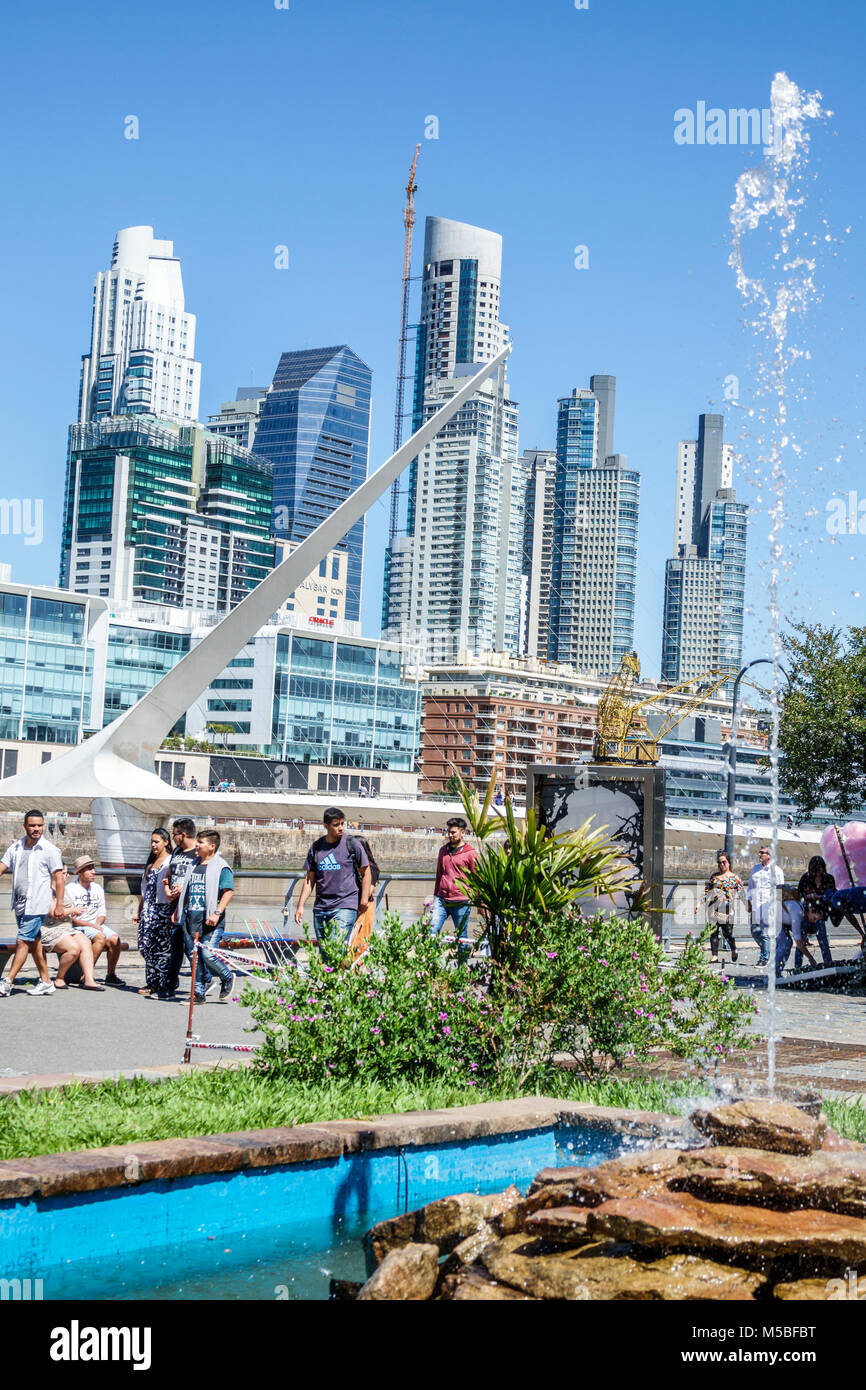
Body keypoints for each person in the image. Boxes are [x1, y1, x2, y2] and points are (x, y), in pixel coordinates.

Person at [0, 810, 65, 996]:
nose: (36, 829)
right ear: (25, 827)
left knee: (22, 940)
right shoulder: (16, 847)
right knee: (35, 942)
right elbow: (2, 866)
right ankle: (46, 981)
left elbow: (59, 879)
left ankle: (7, 981)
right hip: (20, 904)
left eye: (39, 825)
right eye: (32, 825)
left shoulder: (50, 850)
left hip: (37, 904)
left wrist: (59, 904)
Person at [295, 808, 372, 948]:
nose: (341, 828)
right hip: (321, 907)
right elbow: (309, 879)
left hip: (346, 905)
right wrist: (300, 905)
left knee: (336, 947)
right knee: (325, 954)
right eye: (336, 825)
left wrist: (364, 899)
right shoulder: (317, 847)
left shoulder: (352, 844)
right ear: (326, 825)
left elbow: (366, 872)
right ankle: (341, 970)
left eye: (342, 823)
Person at [174, 830, 235, 1004]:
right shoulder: (193, 864)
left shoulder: (221, 867)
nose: (197, 845)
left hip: (211, 920)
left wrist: (217, 913)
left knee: (207, 954)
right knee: (195, 958)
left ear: (211, 846)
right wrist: (178, 910)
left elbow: (228, 892)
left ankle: (227, 976)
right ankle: (198, 994)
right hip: (191, 918)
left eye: (201, 842)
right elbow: (188, 889)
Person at [64, 854, 124, 984]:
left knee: (115, 939)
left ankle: (111, 974)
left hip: (95, 925)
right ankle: (87, 975)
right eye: (89, 869)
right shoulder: (70, 889)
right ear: (80, 872)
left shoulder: (97, 888)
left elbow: (102, 912)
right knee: (100, 937)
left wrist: (97, 924)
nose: (93, 872)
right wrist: (93, 927)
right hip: (78, 927)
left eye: (93, 868)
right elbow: (71, 919)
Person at [133, 829, 174, 999]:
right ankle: (152, 980)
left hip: (162, 908)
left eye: (156, 841)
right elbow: (145, 890)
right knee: (145, 945)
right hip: (148, 910)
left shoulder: (171, 861)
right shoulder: (151, 863)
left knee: (162, 948)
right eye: (152, 842)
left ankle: (161, 983)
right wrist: (139, 910)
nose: (153, 845)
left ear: (166, 842)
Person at [163, 818, 198, 994]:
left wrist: (184, 889)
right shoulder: (177, 851)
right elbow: (169, 874)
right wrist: (167, 889)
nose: (173, 838)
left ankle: (202, 981)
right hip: (175, 904)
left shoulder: (199, 853)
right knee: (175, 947)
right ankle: (170, 985)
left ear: (182, 834)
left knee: (190, 947)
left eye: (174, 834)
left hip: (190, 907)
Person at [431, 817, 479, 938]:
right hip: (442, 899)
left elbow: (477, 878)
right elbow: (439, 874)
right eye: (449, 832)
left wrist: (479, 901)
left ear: (462, 832)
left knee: (461, 935)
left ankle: (462, 957)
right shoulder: (443, 851)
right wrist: (435, 895)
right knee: (432, 931)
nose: (450, 835)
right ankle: (432, 956)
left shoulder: (470, 853)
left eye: (453, 832)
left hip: (461, 901)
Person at [699, 850, 743, 963]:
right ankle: (714, 956)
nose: (721, 865)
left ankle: (733, 949)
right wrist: (699, 903)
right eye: (719, 863)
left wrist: (748, 905)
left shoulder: (735, 878)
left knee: (727, 933)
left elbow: (742, 894)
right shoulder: (714, 877)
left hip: (728, 910)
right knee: (713, 931)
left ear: (728, 863)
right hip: (713, 908)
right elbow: (706, 891)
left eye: (723, 862)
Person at [794, 855, 835, 969]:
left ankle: (828, 965)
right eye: (815, 870)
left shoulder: (829, 879)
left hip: (820, 915)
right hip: (807, 914)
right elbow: (799, 896)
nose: (818, 872)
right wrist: (808, 904)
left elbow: (832, 897)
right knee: (800, 942)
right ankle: (797, 968)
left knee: (823, 942)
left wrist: (821, 906)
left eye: (820, 869)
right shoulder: (806, 878)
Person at [747, 845, 785, 967]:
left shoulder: (777, 871)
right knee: (754, 932)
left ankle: (764, 958)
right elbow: (750, 887)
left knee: (765, 933)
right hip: (755, 905)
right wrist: (748, 901)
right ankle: (769, 949)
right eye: (759, 852)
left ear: (769, 855)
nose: (760, 855)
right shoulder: (755, 869)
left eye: (763, 853)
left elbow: (780, 890)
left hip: (769, 906)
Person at [347, 835, 381, 961]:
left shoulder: (371, 868)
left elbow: (369, 890)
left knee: (360, 937)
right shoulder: (353, 866)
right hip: (353, 904)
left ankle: (356, 966)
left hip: (364, 906)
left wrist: (361, 903)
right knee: (350, 938)